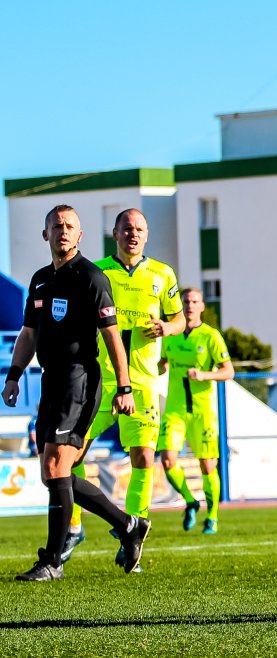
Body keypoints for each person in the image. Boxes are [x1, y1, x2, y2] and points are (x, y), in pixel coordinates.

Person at [2, 205, 150, 580]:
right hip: (50, 379)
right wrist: (14, 375)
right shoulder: (39, 280)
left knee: (57, 467)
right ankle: (128, 525)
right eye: (57, 226)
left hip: (80, 379)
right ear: (46, 234)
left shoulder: (91, 277)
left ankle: (53, 561)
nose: (63, 231)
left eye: (70, 226)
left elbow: (112, 336)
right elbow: (29, 334)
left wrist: (125, 386)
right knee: (52, 474)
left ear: (80, 235)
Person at [69, 208, 183, 569]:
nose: (133, 234)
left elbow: (180, 319)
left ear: (146, 235)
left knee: (143, 458)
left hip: (144, 382)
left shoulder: (163, 274)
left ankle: (132, 535)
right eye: (127, 228)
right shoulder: (97, 271)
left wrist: (166, 328)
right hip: (100, 380)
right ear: (114, 233)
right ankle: (74, 525)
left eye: (139, 229)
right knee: (71, 456)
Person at [159, 288, 234, 534]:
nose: (190, 305)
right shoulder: (171, 335)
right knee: (167, 460)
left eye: (194, 301)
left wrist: (204, 375)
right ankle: (190, 501)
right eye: (186, 301)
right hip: (175, 408)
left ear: (202, 306)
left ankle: (212, 517)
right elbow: (162, 364)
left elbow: (228, 371)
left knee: (207, 465)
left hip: (203, 410)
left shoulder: (210, 336)